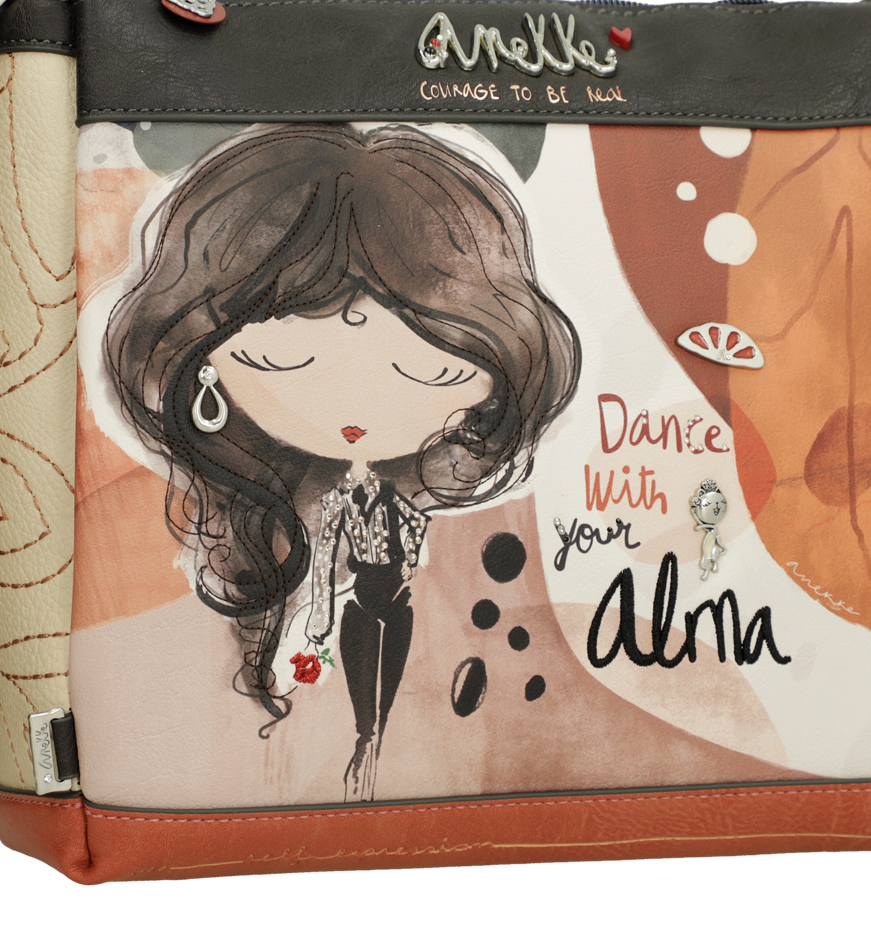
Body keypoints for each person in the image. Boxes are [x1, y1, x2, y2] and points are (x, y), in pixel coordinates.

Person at [104, 122, 579, 802]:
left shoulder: (483, 533)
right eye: (280, 361)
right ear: (201, 362)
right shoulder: (162, 542)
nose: (356, 407)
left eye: (430, 373)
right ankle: (363, 737)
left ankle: (368, 738)